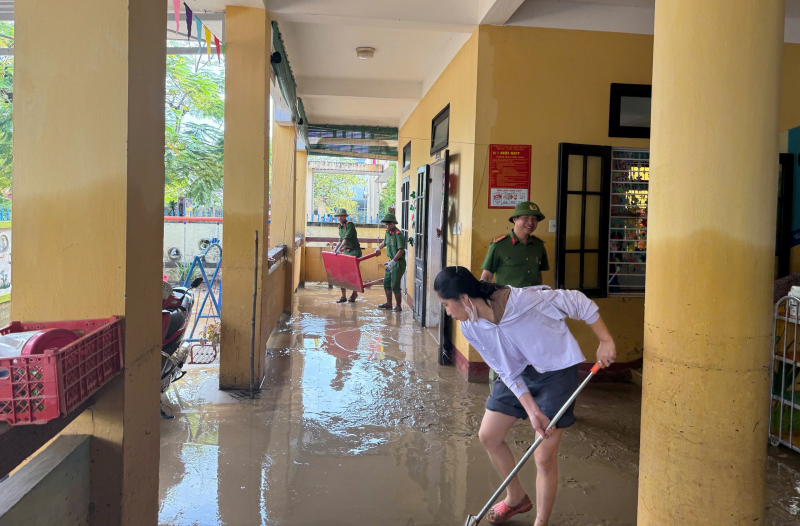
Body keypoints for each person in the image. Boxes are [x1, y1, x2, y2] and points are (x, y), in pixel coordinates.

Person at [434, 267, 616, 526]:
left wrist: (605, 340)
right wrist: (532, 410)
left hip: (556, 371)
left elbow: (577, 301)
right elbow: (505, 370)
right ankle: (516, 497)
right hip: (517, 373)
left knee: (543, 456)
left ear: (463, 298)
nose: (447, 312)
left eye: (446, 304)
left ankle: (541, 521)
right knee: (489, 436)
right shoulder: (470, 328)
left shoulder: (525, 301)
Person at [481, 201, 549, 384]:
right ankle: (498, 387)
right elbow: (486, 277)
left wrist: (542, 300)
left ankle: (526, 387)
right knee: (503, 349)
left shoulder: (539, 246)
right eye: (525, 218)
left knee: (530, 347)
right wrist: (485, 306)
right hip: (506, 307)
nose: (530, 223)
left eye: (534, 219)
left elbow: (539, 276)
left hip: (532, 306)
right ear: (515, 220)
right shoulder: (499, 246)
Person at [373, 213, 406, 312]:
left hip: (398, 262)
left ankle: (398, 306)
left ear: (394, 224)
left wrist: (393, 261)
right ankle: (389, 303)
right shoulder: (387, 233)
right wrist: (378, 247)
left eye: (389, 224)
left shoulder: (398, 234)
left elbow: (401, 250)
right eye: (386, 224)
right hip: (390, 261)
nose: (387, 226)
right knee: (386, 282)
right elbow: (385, 242)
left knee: (395, 285)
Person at [332, 208, 362, 303]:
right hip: (346, 252)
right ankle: (343, 296)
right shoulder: (340, 227)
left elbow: (346, 239)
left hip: (354, 251)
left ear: (345, 216)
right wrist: (335, 249)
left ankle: (354, 293)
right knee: (342, 273)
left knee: (353, 273)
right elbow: (340, 240)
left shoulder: (350, 225)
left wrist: (338, 249)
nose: (340, 218)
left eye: (342, 216)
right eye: (338, 216)